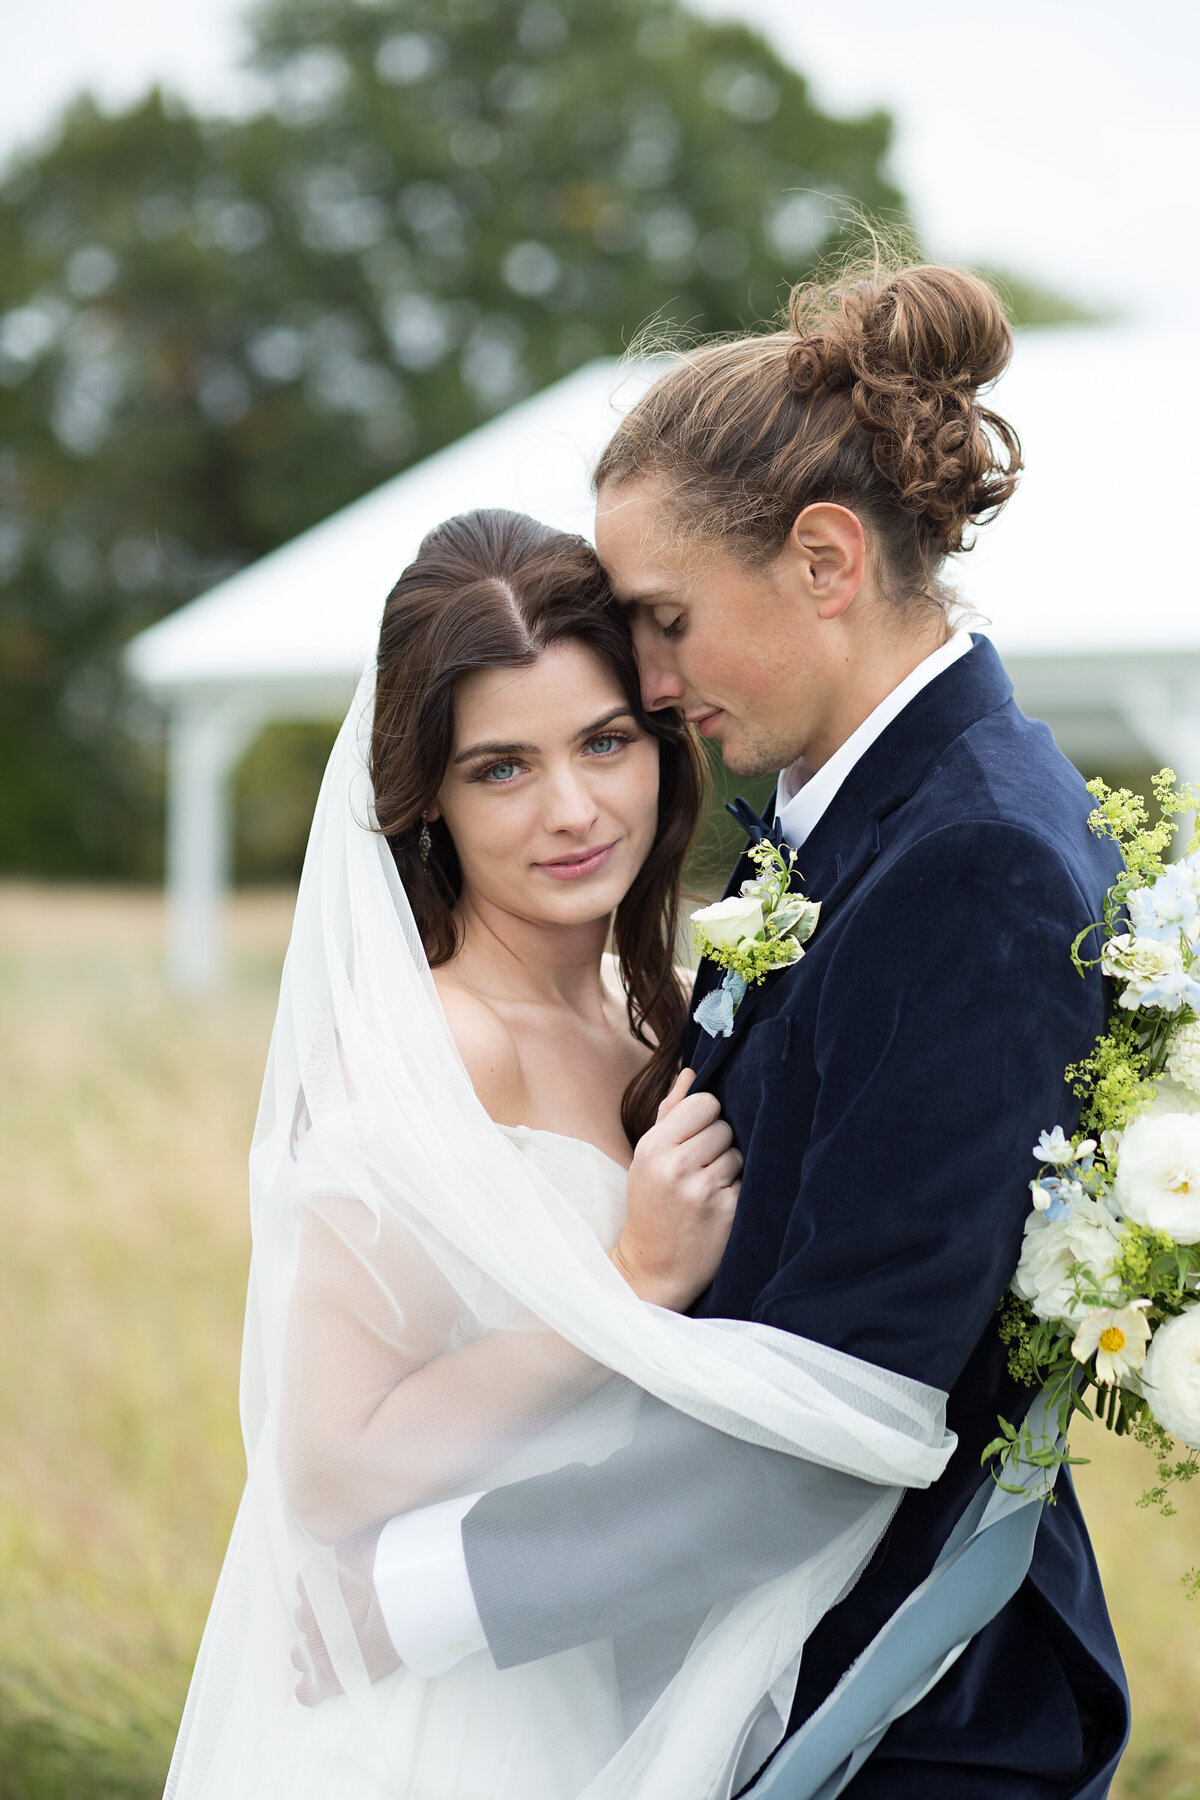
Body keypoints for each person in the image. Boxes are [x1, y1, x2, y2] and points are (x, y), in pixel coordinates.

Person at [370, 265, 1132, 1797]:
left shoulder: (975, 857)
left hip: (912, 1708)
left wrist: (420, 1598)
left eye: (665, 622)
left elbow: (840, 1412)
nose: (647, 687)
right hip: (770, 1666)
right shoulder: (851, 815)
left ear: (827, 558)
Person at [165, 508, 952, 1800]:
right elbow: (332, 1459)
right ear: (425, 798)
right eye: (502, 769)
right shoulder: (432, 1053)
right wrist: (628, 1285)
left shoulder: (655, 1013)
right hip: (439, 1723)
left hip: (589, 1670)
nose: (574, 809)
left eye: (604, 741)